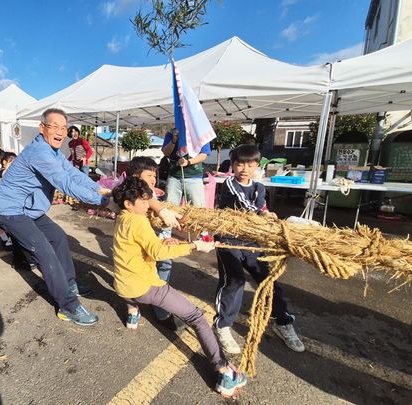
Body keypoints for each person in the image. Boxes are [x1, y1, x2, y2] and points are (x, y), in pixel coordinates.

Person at [110, 177, 247, 398]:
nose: (148, 206)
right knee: (197, 318)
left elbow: (140, 248)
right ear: (128, 203)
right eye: (144, 202)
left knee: (132, 293)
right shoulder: (138, 221)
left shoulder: (122, 218)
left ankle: (132, 315)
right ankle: (224, 372)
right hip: (144, 287)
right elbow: (157, 253)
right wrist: (194, 246)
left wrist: (166, 243)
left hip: (122, 285)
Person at [0, 108, 108, 326]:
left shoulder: (53, 152)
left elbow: (73, 173)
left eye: (63, 127)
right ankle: (69, 306)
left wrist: (100, 190)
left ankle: (69, 284)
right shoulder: (40, 153)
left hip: (29, 210)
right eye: (54, 126)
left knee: (58, 237)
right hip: (10, 210)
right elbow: (64, 183)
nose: (60, 132)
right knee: (45, 254)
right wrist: (102, 202)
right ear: (42, 128)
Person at [212, 144, 304, 354]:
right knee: (234, 280)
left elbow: (261, 206)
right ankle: (223, 325)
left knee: (268, 279)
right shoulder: (229, 183)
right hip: (228, 240)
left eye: (250, 164)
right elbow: (244, 203)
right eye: (240, 164)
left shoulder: (260, 188)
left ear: (257, 166)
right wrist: (262, 215)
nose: (244, 168)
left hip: (252, 240)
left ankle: (283, 322)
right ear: (233, 165)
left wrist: (268, 217)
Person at [157, 127, 211, 322]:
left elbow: (204, 154)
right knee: (170, 207)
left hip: (194, 176)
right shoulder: (172, 133)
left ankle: (203, 234)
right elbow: (165, 152)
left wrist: (188, 161)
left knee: (198, 209)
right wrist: (174, 139)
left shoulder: (199, 131)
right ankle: (165, 234)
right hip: (174, 176)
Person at [125, 157, 184, 329]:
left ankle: (160, 308)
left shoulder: (155, 193)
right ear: (136, 176)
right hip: (136, 246)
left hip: (157, 240)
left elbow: (154, 203)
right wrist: (160, 209)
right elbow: (146, 198)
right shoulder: (130, 192)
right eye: (149, 175)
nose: (153, 179)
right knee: (132, 273)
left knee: (165, 264)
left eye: (155, 175)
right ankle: (133, 308)